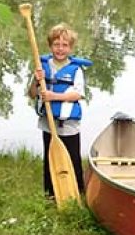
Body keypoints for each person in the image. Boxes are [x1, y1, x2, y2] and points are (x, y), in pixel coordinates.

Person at [27, 23, 92, 199]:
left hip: (68, 125)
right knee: (50, 160)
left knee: (72, 160)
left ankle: (77, 194)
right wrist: (36, 79)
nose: (60, 49)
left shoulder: (76, 70)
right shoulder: (42, 66)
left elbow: (77, 95)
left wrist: (52, 96)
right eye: (56, 44)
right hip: (48, 123)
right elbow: (32, 94)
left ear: (70, 48)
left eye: (65, 45)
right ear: (50, 46)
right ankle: (50, 195)